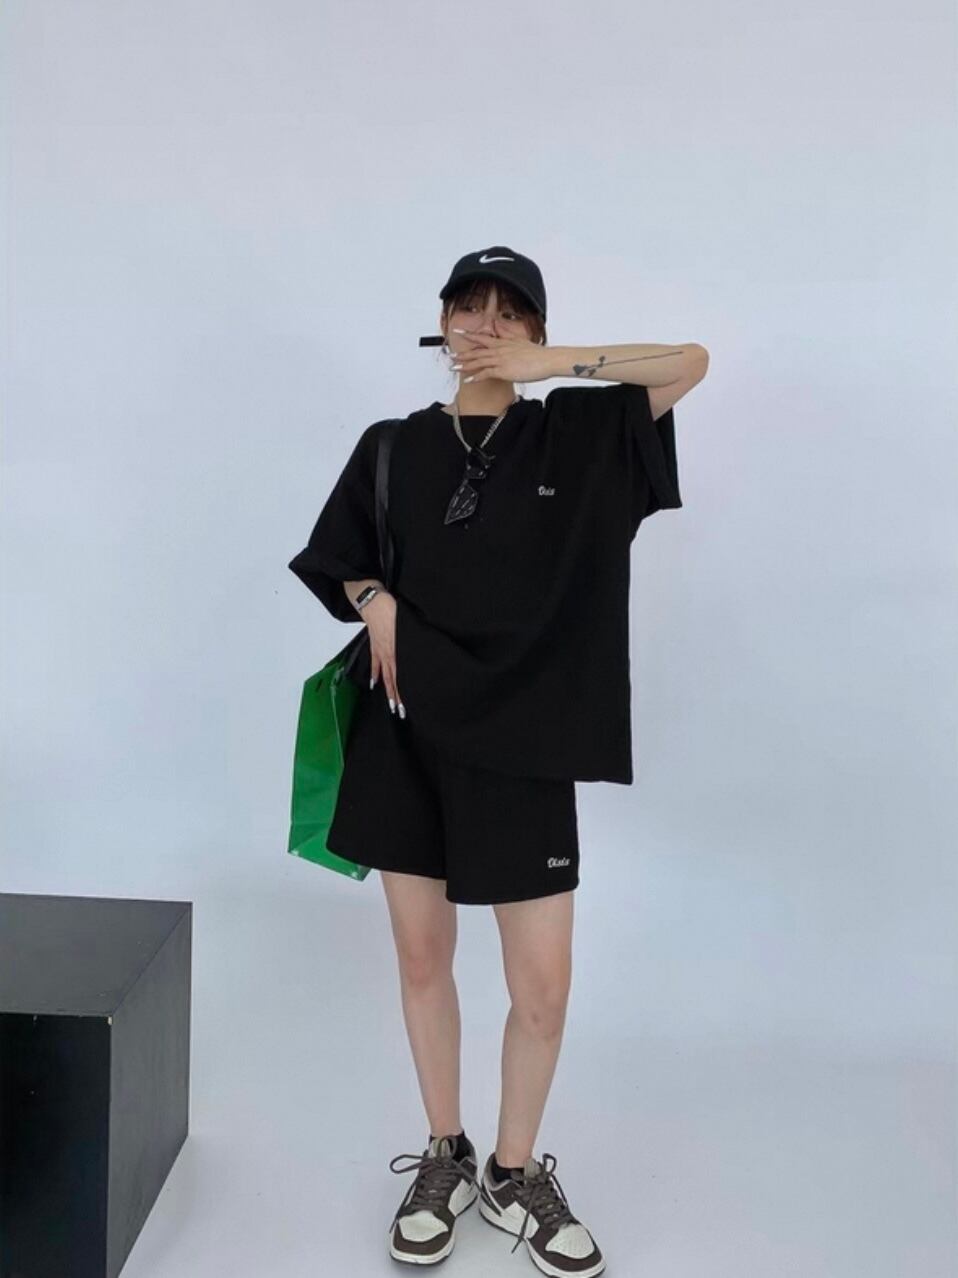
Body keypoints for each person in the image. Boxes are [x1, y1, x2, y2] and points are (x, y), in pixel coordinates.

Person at [288, 246, 709, 1274]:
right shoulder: (391, 446)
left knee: (542, 988)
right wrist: (375, 601)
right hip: (404, 731)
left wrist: (550, 365)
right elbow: (340, 557)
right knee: (422, 958)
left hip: (527, 743)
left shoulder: (579, 431)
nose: (484, 324)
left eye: (508, 311)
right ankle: (446, 1150)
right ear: (439, 323)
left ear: (534, 327)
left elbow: (689, 361)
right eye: (467, 307)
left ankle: (514, 1172)